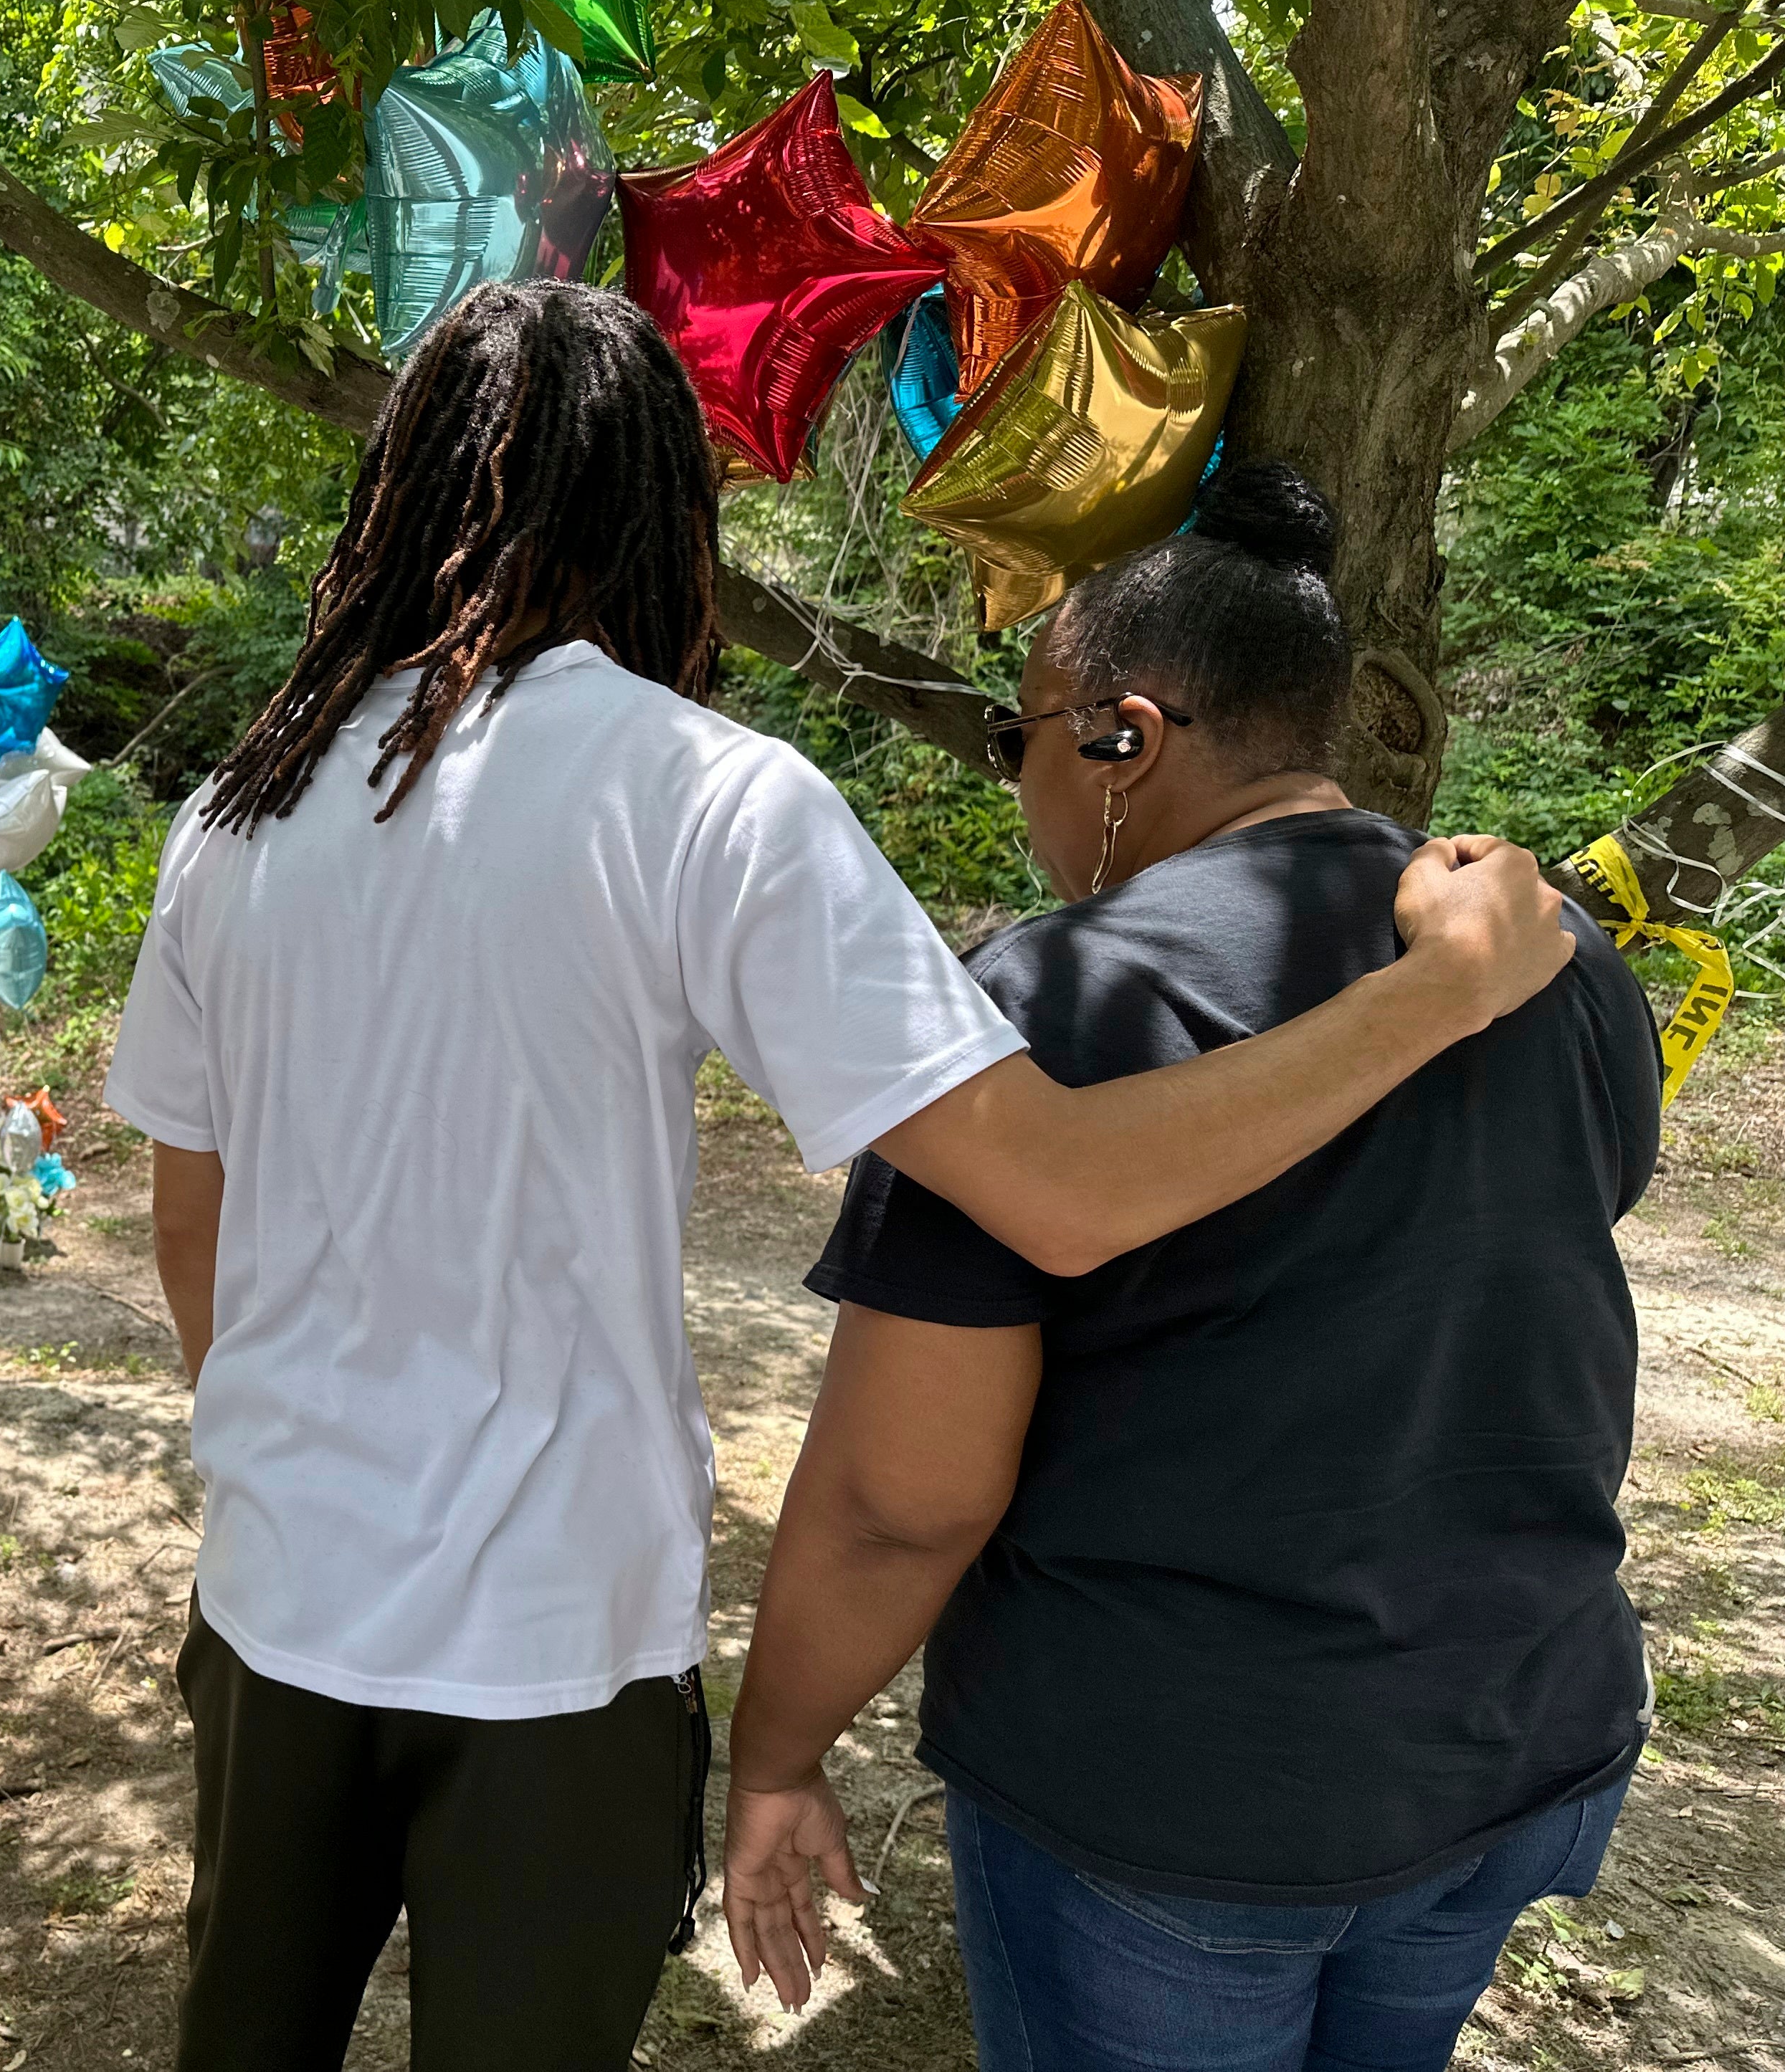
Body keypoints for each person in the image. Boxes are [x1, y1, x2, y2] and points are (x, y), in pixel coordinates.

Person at [102, 288, 1574, 2072]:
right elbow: (1056, 1189)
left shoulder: (236, 810)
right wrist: (1441, 989)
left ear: (396, 490)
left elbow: (198, 1227)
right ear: (669, 510)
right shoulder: (704, 794)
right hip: (554, 1649)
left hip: (272, 1605)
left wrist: (306, 1458)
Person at [720, 462, 1662, 2072]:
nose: (1015, 773)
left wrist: (779, 1757)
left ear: (1120, 736)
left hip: (1176, 1790)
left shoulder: (1050, 1005)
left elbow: (906, 1495)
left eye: (1019, 733)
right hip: (1516, 1730)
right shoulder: (1546, 958)